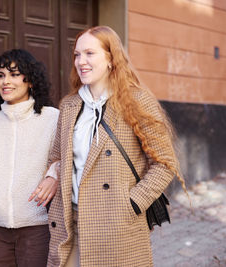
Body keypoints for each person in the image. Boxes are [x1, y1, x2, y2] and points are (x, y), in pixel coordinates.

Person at [31, 26, 187, 267]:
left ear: (111, 59)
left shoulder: (136, 100)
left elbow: (165, 163)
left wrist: (131, 204)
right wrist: (52, 174)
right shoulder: (70, 105)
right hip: (69, 222)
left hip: (115, 224)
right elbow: (57, 155)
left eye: (90, 54)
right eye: (77, 55)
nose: (81, 61)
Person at [0, 49, 59, 267]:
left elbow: (67, 158)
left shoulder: (52, 118)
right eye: (0, 75)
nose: (5, 82)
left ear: (30, 80)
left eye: (14, 74)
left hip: (38, 229)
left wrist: (53, 176)